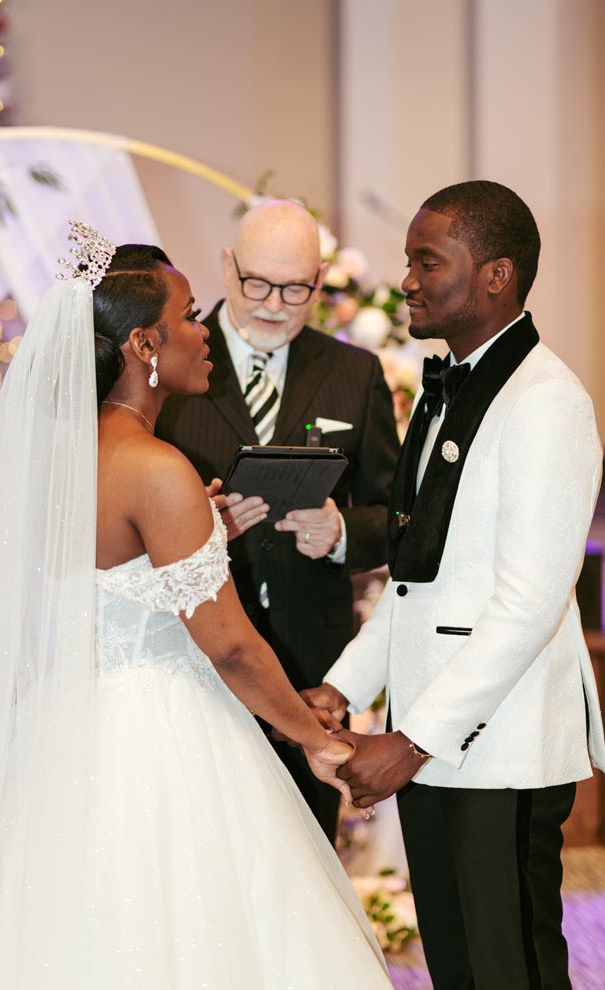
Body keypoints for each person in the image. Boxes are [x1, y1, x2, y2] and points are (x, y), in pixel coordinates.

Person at [0, 222, 391, 988]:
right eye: (187, 316)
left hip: (69, 730)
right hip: (160, 738)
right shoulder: (156, 466)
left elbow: (101, 580)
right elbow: (230, 646)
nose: (203, 331)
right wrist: (311, 738)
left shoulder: (62, 458)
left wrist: (198, 532)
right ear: (145, 346)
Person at [303, 181, 605, 990]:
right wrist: (342, 686)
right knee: (460, 969)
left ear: (496, 275)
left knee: (511, 969)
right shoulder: (449, 391)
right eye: (407, 261)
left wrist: (411, 739)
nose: (407, 279)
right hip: (437, 739)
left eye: (426, 261)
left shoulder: (547, 404)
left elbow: (530, 602)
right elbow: (414, 580)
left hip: (497, 746)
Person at [156, 199, 400, 841]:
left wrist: (344, 533)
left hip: (313, 664)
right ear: (227, 265)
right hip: (199, 653)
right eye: (256, 282)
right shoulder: (173, 369)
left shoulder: (355, 373)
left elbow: (401, 516)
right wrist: (198, 526)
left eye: (295, 289)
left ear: (320, 282)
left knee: (307, 851)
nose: (271, 304)